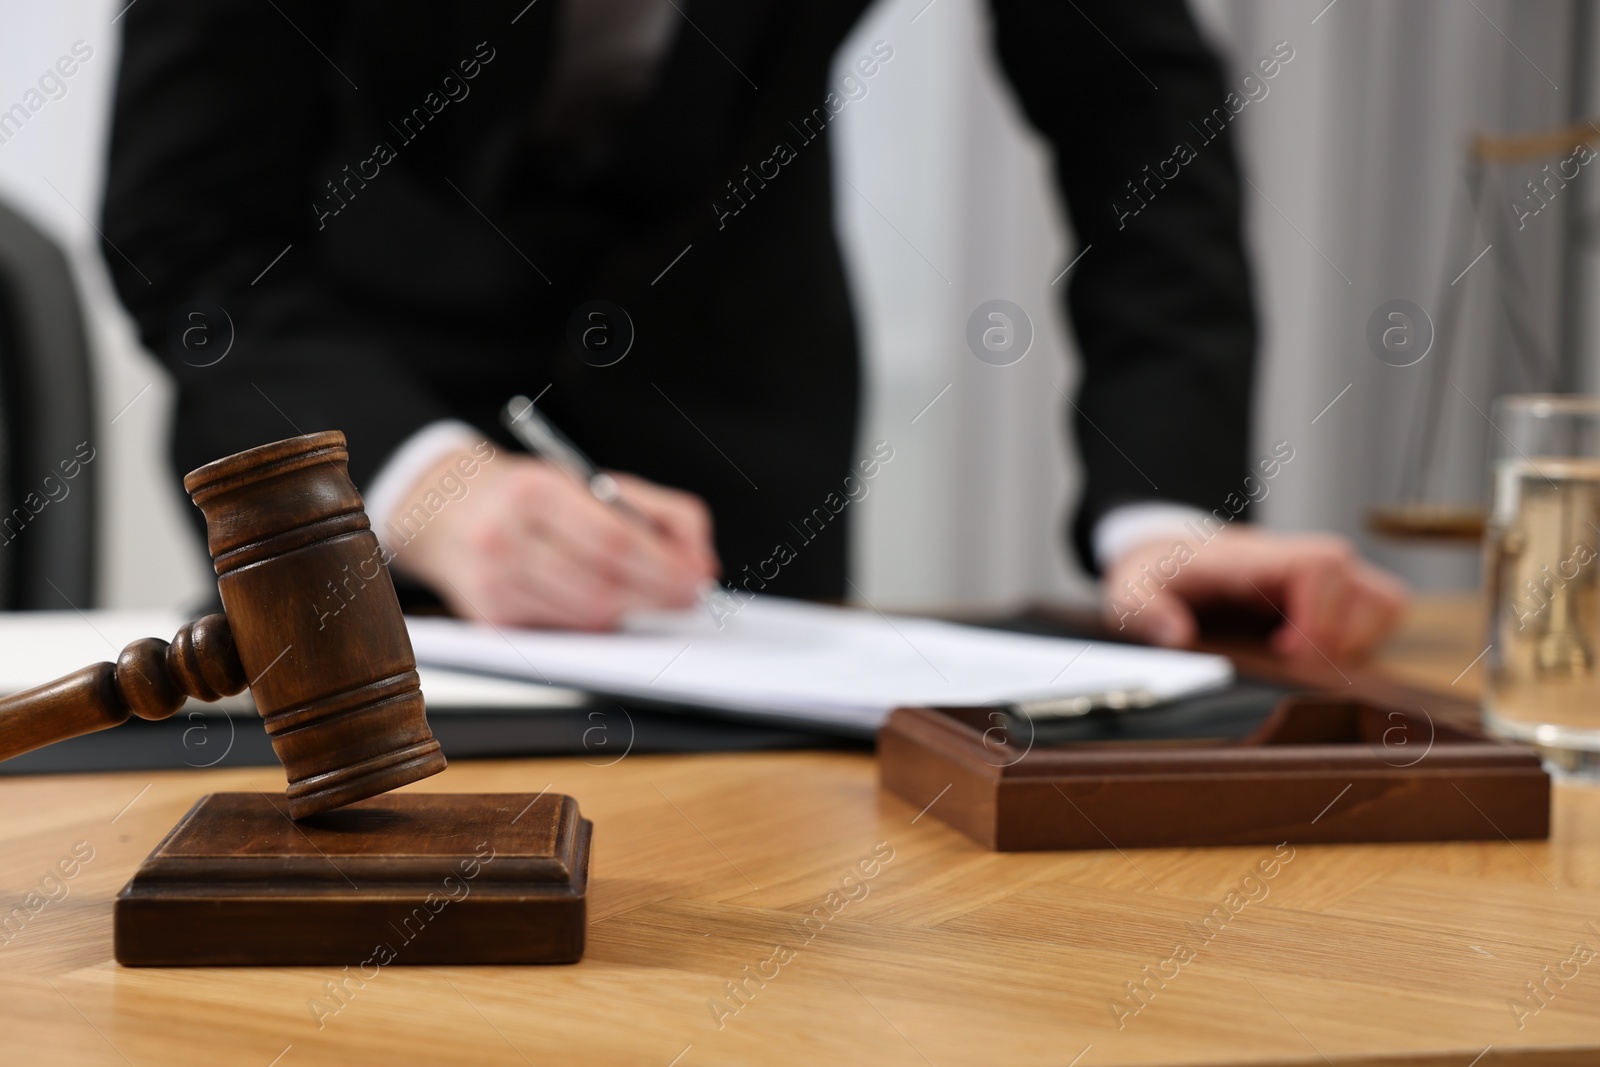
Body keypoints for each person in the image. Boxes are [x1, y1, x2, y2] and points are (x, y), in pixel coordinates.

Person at [101, 0, 1406, 658]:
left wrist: (1163, 520)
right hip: (351, 396)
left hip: (732, 411)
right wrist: (422, 480)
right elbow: (191, 236)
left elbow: (1139, 113)